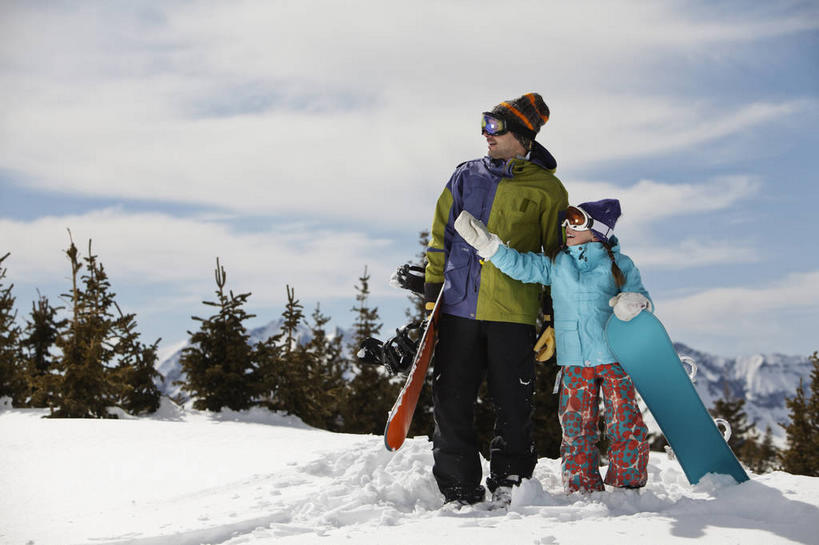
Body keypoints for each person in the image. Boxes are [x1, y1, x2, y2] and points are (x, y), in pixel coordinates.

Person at [424, 93, 568, 505]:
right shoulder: (465, 176)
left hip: (513, 313)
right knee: (450, 401)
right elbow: (442, 236)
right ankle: (457, 487)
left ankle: (510, 483)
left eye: (495, 125)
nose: (486, 133)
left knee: (513, 405)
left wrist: (552, 316)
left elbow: (557, 257)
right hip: (458, 308)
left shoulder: (547, 189)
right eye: (485, 123)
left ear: (522, 136)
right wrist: (434, 292)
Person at [454, 198, 652, 493]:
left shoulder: (620, 265)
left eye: (577, 222)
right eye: (568, 221)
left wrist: (634, 302)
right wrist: (491, 247)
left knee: (624, 421)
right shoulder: (560, 264)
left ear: (598, 230)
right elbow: (523, 266)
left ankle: (628, 482)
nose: (568, 227)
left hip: (614, 357)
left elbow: (641, 298)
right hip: (574, 360)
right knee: (575, 425)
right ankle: (581, 484)